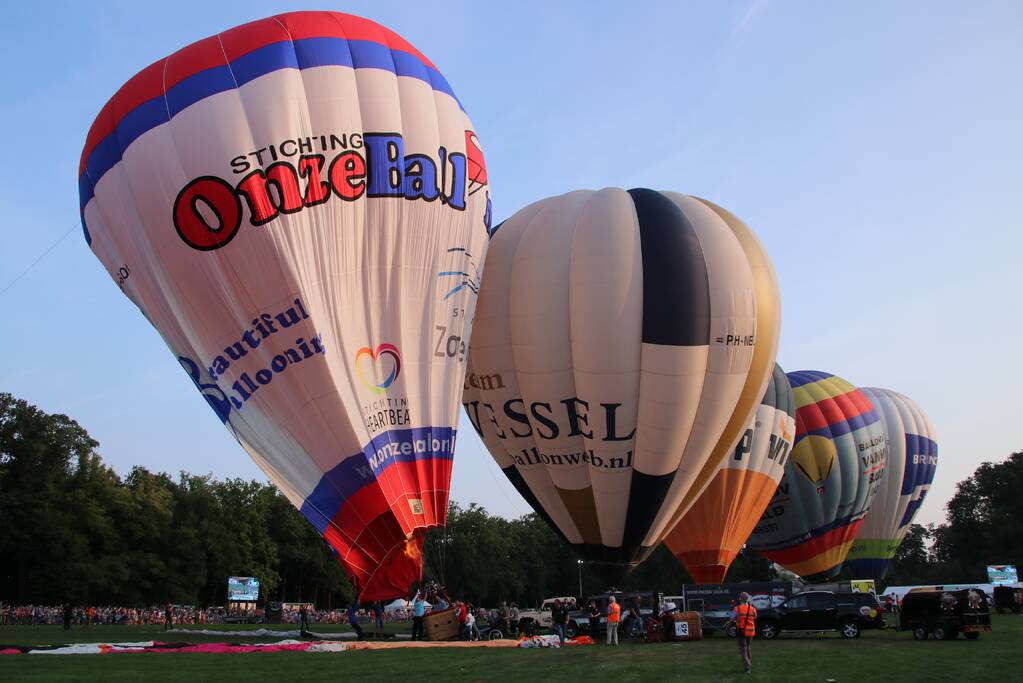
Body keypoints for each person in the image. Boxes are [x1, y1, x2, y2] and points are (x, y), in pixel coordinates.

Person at [733, 592, 757, 674]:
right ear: (748, 599)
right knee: (748, 647)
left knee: (743, 650)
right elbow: (755, 617)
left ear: (740, 598)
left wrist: (727, 627)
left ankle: (748, 667)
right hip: (751, 632)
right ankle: (748, 665)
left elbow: (732, 618)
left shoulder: (737, 608)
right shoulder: (752, 608)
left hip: (741, 631)